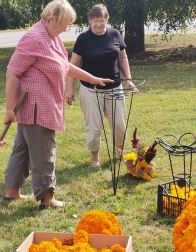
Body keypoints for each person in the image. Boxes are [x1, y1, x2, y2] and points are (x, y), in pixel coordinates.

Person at [3, 0, 114, 210]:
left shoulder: (51, 37)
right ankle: (47, 198)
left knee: (23, 149)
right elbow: (12, 72)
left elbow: (64, 66)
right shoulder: (34, 38)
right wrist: (9, 108)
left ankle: (12, 191)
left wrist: (92, 78)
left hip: (39, 105)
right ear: (52, 17)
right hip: (37, 107)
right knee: (45, 151)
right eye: (64, 23)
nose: (66, 28)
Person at [66, 4, 138, 169]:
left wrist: (129, 79)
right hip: (91, 90)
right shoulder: (83, 39)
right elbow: (73, 64)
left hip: (115, 88)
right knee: (94, 126)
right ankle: (94, 157)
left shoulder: (115, 34)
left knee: (119, 123)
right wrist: (68, 89)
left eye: (102, 20)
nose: (98, 24)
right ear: (90, 21)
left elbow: (123, 58)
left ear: (107, 19)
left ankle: (119, 152)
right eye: (95, 20)